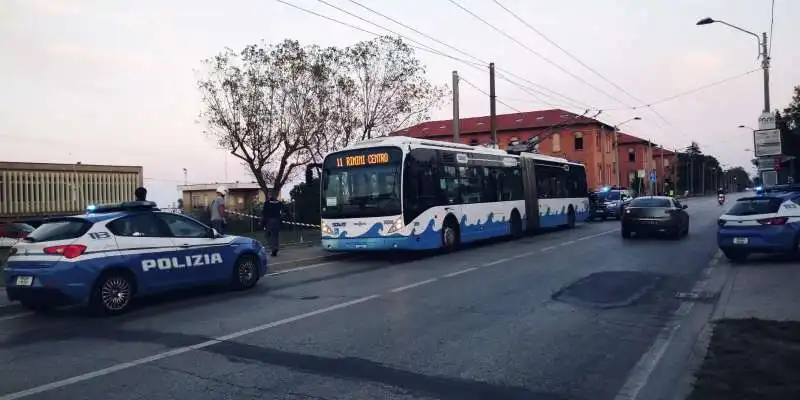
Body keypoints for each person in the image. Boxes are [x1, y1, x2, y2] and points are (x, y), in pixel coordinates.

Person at [261, 190, 282, 257]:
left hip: (269, 221)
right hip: (277, 221)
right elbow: (284, 211)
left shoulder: (267, 203)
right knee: (276, 236)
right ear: (276, 196)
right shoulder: (279, 203)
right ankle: (275, 248)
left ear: (270, 195)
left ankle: (273, 248)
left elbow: (264, 213)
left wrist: (262, 222)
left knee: (267, 235)